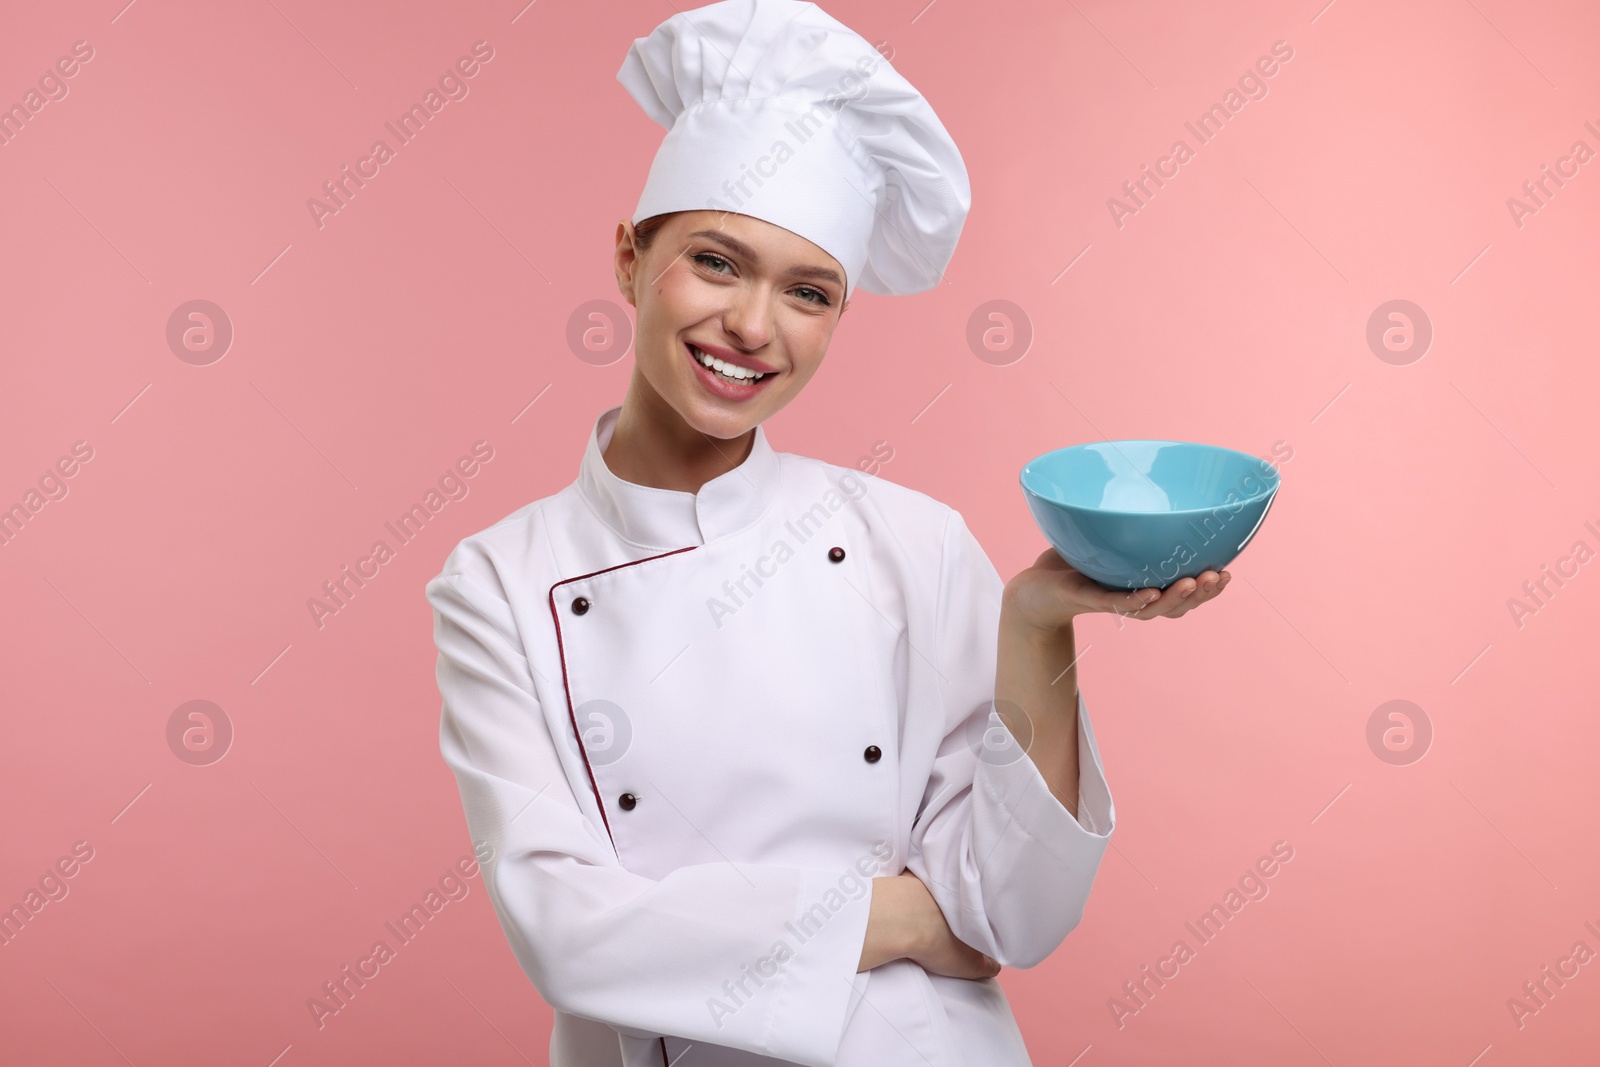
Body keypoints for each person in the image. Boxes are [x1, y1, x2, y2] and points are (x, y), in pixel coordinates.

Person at [425, 2, 1231, 1065]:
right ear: (628, 257)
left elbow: (1012, 917)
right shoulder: (496, 580)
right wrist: (893, 918)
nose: (754, 328)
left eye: (808, 292)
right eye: (717, 262)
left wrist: (1035, 626)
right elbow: (568, 937)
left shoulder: (914, 541)